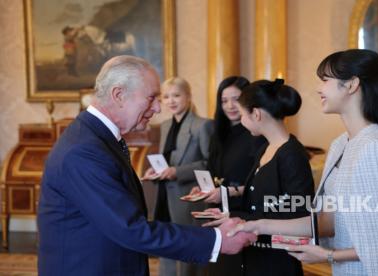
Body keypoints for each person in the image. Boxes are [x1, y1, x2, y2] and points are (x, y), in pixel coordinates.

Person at [37, 55, 257, 276]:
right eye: (151, 98)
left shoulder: (95, 137)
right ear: (118, 95)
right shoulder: (84, 151)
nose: (158, 108)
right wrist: (217, 240)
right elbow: (130, 229)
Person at [228, 49, 378, 275]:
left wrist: (327, 255)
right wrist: (258, 225)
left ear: (352, 85)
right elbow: (328, 221)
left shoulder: (375, 147)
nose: (319, 88)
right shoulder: (340, 144)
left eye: (325, 80)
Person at [203, 79, 315, 276]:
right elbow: (258, 199)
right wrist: (231, 215)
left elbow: (300, 215)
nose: (242, 121)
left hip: (277, 260)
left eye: (243, 114)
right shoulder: (266, 147)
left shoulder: (292, 155)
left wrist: (244, 219)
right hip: (255, 254)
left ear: (256, 114)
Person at [190, 76, 266, 276]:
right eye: (224, 101)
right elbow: (213, 169)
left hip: (243, 212)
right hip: (217, 209)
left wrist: (226, 192)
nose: (230, 106)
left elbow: (260, 181)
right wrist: (203, 189)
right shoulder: (219, 132)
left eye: (236, 99)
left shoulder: (256, 133)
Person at [142, 77, 212, 276]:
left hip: (188, 198)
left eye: (176, 95)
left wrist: (176, 172)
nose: (171, 101)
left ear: (188, 97)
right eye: (166, 97)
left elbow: (210, 164)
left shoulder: (203, 126)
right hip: (165, 196)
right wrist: (156, 172)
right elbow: (167, 160)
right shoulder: (165, 126)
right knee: (167, 248)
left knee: (186, 254)